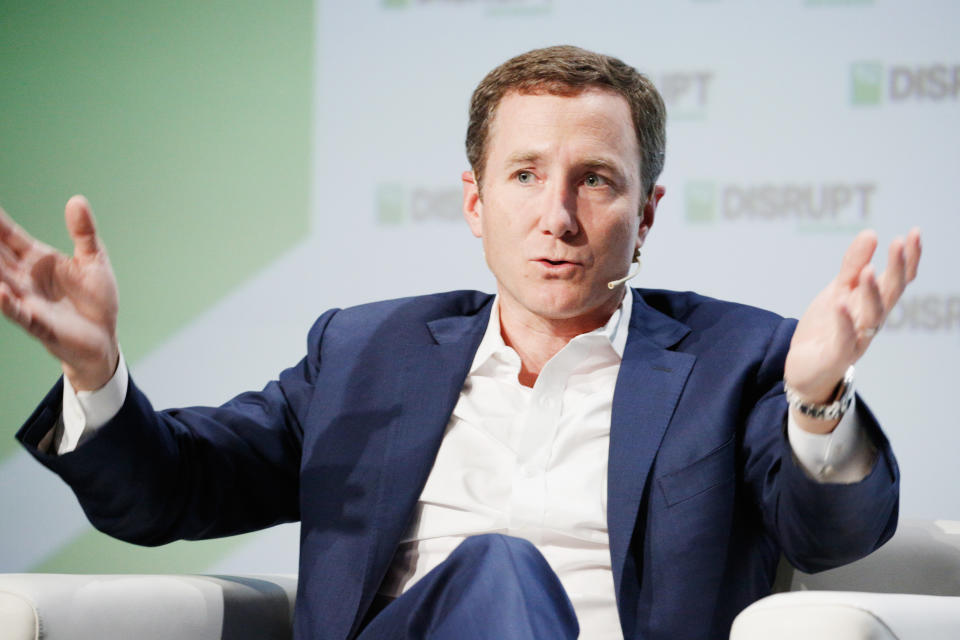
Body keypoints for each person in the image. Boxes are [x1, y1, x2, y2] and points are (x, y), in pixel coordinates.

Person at [1, 46, 921, 639]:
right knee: (498, 568)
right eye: (525, 175)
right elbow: (171, 491)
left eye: (595, 180)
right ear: (476, 204)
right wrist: (96, 373)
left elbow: (832, 531)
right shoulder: (366, 354)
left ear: (646, 216)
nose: (557, 215)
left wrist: (818, 398)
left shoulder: (738, 360)